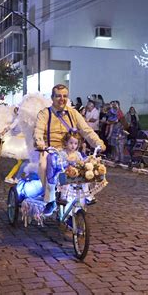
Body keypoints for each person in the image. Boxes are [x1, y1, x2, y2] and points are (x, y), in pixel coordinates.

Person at [34, 84, 105, 215]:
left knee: (88, 165)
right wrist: (40, 144)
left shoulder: (73, 113)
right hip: (52, 151)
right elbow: (38, 131)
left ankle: (86, 196)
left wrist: (98, 143)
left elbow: (86, 130)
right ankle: (49, 199)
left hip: (72, 150)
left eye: (65, 96)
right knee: (43, 165)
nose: (62, 99)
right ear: (52, 97)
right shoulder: (45, 114)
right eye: (58, 96)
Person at [57, 132, 96, 205]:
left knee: (85, 180)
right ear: (66, 142)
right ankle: (63, 197)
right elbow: (59, 164)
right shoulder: (62, 153)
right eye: (71, 143)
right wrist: (67, 162)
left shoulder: (77, 154)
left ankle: (88, 197)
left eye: (75, 144)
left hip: (76, 173)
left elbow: (81, 162)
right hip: (66, 173)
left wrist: (85, 162)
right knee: (66, 181)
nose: (73, 146)